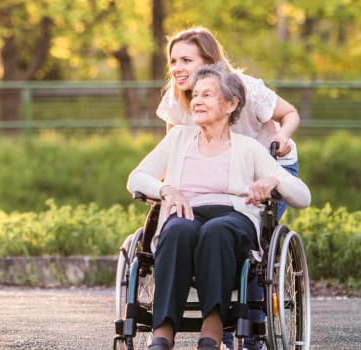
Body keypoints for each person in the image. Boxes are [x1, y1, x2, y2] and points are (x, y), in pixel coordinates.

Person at [127, 65, 311, 350]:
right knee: (176, 231)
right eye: (196, 95)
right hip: (186, 212)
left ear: (230, 104)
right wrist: (165, 189)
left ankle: (211, 330)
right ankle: (162, 333)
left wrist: (273, 180)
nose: (197, 100)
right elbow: (136, 177)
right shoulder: (178, 139)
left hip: (233, 216)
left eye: (207, 95)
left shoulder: (248, 148)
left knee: (217, 231)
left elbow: (303, 196)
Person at [157, 27, 301, 220]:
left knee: (249, 229)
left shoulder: (247, 89)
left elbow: (290, 113)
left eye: (186, 61)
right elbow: (173, 150)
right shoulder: (175, 98)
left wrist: (282, 136)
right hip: (220, 168)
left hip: (268, 165)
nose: (176, 68)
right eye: (173, 61)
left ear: (209, 63)